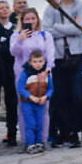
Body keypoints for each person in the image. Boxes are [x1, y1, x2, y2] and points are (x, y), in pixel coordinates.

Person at [43, 0, 82, 148]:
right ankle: (64, 132)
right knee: (60, 96)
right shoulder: (51, 9)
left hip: (77, 55)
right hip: (59, 56)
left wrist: (58, 27)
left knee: (77, 95)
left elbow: (81, 29)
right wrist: (70, 28)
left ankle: (76, 132)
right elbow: (47, 31)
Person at [10, 8, 55, 148]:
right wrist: (20, 40)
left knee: (44, 107)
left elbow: (50, 54)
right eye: (27, 19)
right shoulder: (16, 35)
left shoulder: (45, 35)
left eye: (33, 18)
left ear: (37, 19)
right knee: (24, 108)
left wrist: (47, 71)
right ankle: (27, 140)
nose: (30, 22)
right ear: (22, 21)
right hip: (23, 74)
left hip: (42, 74)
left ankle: (43, 139)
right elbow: (13, 52)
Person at [17, 50, 53, 153]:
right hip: (28, 103)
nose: (38, 64)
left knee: (40, 123)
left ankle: (39, 143)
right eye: (35, 61)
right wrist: (30, 97)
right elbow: (20, 88)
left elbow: (51, 88)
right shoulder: (26, 73)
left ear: (44, 61)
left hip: (41, 103)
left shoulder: (46, 74)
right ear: (30, 62)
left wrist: (46, 97)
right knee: (30, 124)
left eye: (40, 61)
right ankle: (30, 144)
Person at [0, 0, 18, 145]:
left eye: (7, 7)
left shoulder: (15, 28)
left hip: (11, 69)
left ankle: (11, 134)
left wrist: (1, 46)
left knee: (11, 102)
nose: (4, 10)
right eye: (1, 8)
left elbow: (10, 48)